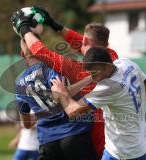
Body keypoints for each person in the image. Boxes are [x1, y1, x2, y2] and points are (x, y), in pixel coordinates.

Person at [11, 7, 119, 157]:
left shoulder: (73, 69)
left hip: (52, 139)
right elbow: (82, 43)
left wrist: (24, 27)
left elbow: (41, 51)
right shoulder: (112, 59)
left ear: (23, 54)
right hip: (93, 134)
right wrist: (55, 25)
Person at [50, 47, 146, 159]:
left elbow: (73, 111)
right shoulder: (126, 63)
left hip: (123, 151)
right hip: (139, 144)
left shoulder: (109, 86)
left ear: (107, 65)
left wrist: (61, 92)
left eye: (95, 73)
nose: (94, 78)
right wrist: (132, 108)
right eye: (90, 73)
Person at [15, 39, 98, 160]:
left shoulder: (19, 83)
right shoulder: (51, 67)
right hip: (73, 132)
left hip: (47, 140)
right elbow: (61, 94)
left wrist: (42, 112)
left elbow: (27, 124)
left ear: (23, 54)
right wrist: (91, 78)